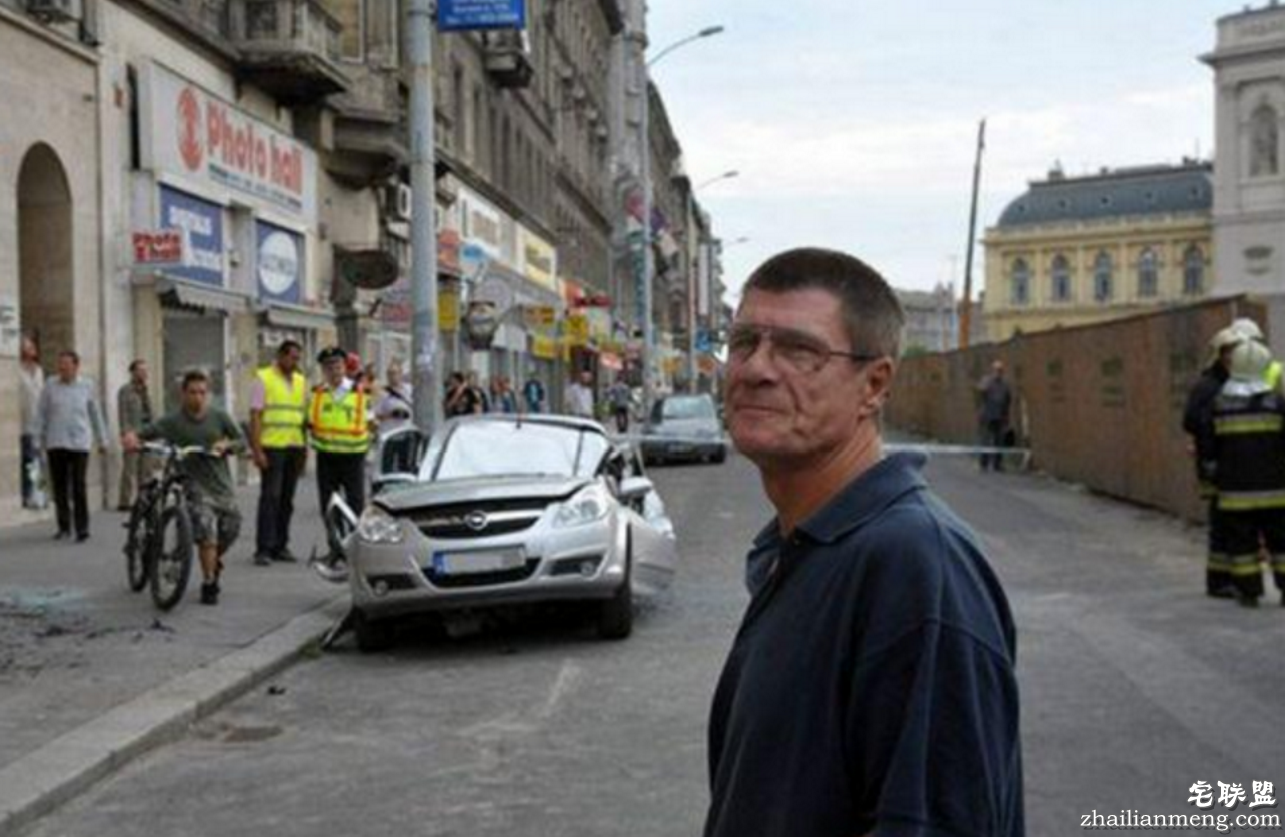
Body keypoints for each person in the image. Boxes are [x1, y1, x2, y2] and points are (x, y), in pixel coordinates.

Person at [706, 248, 1023, 837]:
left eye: (798, 350)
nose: (755, 369)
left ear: (874, 385)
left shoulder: (914, 565)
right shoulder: (805, 545)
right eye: (744, 342)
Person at [125, 370, 245, 606]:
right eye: (193, 392)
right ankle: (209, 583)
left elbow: (241, 441)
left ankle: (211, 559)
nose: (198, 397)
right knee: (207, 533)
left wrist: (227, 445)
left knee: (231, 529)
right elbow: (144, 433)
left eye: (202, 392)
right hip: (191, 485)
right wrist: (132, 438)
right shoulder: (173, 421)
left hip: (220, 486)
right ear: (183, 394)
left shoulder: (219, 417)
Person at [1198, 339, 1285, 608]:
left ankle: (1249, 592)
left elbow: (1207, 446)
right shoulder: (1277, 403)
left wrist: (1210, 477)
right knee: (1281, 542)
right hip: (1275, 491)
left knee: (1242, 545)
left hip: (1235, 492)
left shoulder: (1219, 404)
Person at [1183, 326, 1242, 598]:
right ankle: (1219, 581)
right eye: (1229, 352)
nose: (1233, 357)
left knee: (1230, 522)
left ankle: (1227, 578)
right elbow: (1190, 421)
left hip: (1227, 464)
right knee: (1222, 522)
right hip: (1217, 465)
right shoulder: (1209, 386)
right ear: (1220, 354)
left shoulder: (1229, 382)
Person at [37, 350, 109, 542]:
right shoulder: (50, 385)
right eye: (60, 365)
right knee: (60, 486)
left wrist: (103, 439)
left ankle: (82, 528)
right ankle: (64, 526)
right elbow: (41, 412)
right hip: (56, 440)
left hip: (79, 443)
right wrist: (38, 437)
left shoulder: (87, 386)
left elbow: (95, 413)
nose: (63, 368)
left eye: (67, 365)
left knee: (78, 485)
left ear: (76, 366)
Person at [309, 347, 371, 565]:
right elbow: (310, 422)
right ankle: (335, 549)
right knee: (328, 507)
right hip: (326, 457)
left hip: (353, 457)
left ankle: (357, 551)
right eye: (328, 367)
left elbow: (372, 422)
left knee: (355, 505)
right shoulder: (317, 394)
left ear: (345, 368)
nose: (333, 370)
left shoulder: (360, 392)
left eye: (337, 365)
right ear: (323, 370)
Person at [249, 340, 307, 566]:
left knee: (286, 500)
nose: (295, 362)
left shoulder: (300, 381)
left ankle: (280, 546)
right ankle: (263, 548)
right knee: (270, 497)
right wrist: (257, 450)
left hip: (294, 445)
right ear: (281, 356)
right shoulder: (263, 378)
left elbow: (302, 417)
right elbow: (255, 416)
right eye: (292, 357)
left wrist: (304, 449)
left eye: (298, 358)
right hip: (272, 446)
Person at [116, 359, 154, 510]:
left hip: (147, 433)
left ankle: (143, 501)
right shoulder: (125, 391)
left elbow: (151, 413)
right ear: (133, 372)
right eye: (140, 370)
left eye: (145, 370)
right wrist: (125, 433)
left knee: (146, 470)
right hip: (133, 433)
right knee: (129, 469)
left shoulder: (146, 390)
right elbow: (123, 414)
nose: (144, 374)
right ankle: (124, 501)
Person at [18, 334, 44, 509]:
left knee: (37, 460)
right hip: (23, 422)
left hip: (38, 422)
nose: (31, 348)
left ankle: (39, 493)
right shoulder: (17, 369)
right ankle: (29, 494)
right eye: (27, 346)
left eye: (32, 345)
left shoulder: (39, 370)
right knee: (29, 460)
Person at [976, 358, 1013, 472]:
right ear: (992, 370)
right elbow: (980, 393)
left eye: (1000, 370)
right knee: (985, 440)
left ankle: (998, 464)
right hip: (987, 415)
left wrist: (1006, 416)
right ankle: (984, 463)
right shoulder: (986, 381)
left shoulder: (1005, 384)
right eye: (996, 370)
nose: (998, 372)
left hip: (1000, 415)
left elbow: (1008, 400)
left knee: (999, 440)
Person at [375, 361, 414, 433]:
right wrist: (392, 415)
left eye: (394, 373)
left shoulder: (409, 389)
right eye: (389, 374)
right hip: (390, 433)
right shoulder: (382, 392)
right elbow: (377, 415)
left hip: (406, 430)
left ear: (400, 374)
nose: (391, 376)